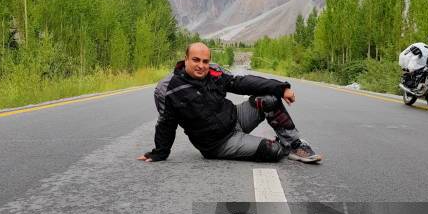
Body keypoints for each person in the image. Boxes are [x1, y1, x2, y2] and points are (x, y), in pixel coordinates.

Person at [138, 42, 322, 164]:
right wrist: (159, 152)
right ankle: (280, 147)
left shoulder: (214, 72)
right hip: (219, 144)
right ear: (185, 59)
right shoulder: (167, 88)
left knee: (270, 99)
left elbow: (241, 83)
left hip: (236, 118)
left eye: (205, 61)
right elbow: (166, 122)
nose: (201, 66)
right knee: (272, 151)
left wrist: (281, 88)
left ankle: (294, 145)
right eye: (195, 60)